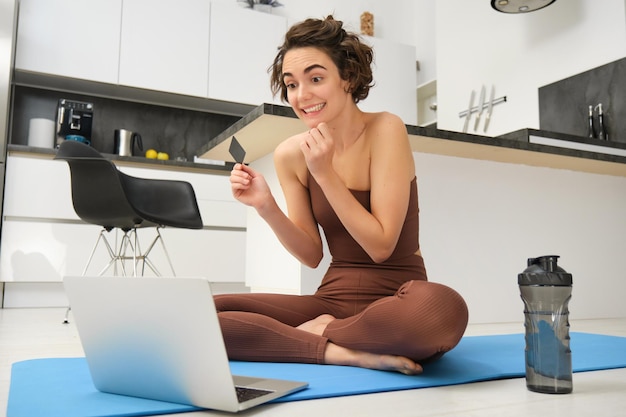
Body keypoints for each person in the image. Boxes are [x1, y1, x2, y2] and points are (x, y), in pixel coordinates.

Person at [221, 15, 468, 375]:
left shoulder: (385, 129)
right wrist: (265, 205)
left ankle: (322, 333)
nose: (301, 96)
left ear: (348, 78)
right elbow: (311, 254)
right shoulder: (290, 154)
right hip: (332, 298)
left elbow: (382, 246)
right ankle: (339, 351)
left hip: (397, 299)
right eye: (291, 85)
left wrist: (325, 174)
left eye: (316, 79)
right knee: (203, 311)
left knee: (440, 311)